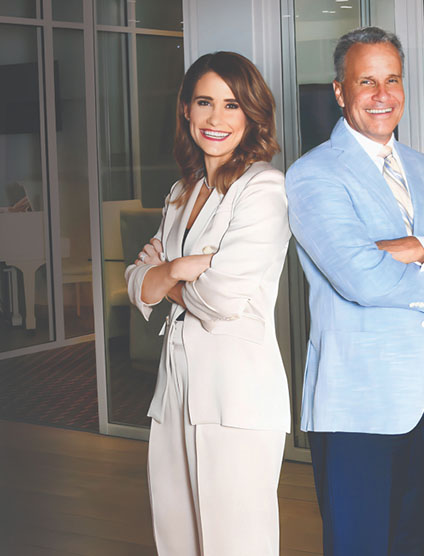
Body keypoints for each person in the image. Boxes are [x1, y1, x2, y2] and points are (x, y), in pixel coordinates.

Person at [285, 27, 424, 555]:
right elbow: (362, 278)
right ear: (340, 91)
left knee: (413, 544)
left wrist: (413, 245)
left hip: (422, 391)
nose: (383, 95)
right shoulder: (313, 174)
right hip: (356, 400)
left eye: (393, 79)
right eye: (367, 81)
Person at [125, 51, 291, 556]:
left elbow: (219, 298)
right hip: (175, 391)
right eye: (205, 102)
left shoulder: (264, 188)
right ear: (186, 109)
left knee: (236, 544)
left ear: (252, 114)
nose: (216, 118)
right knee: (176, 540)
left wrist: (165, 275)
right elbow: (137, 284)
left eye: (232, 105)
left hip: (235, 393)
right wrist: (182, 267)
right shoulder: (182, 190)